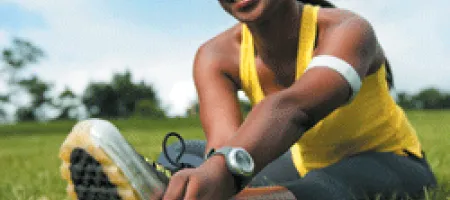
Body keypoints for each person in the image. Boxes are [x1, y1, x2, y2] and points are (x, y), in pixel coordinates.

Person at [58, 0, 437, 200]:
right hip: (302, 162)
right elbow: (223, 147)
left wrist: (223, 172)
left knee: (331, 184)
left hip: (392, 161)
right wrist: (210, 173)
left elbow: (293, 108)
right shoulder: (215, 56)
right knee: (190, 156)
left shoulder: (348, 30)